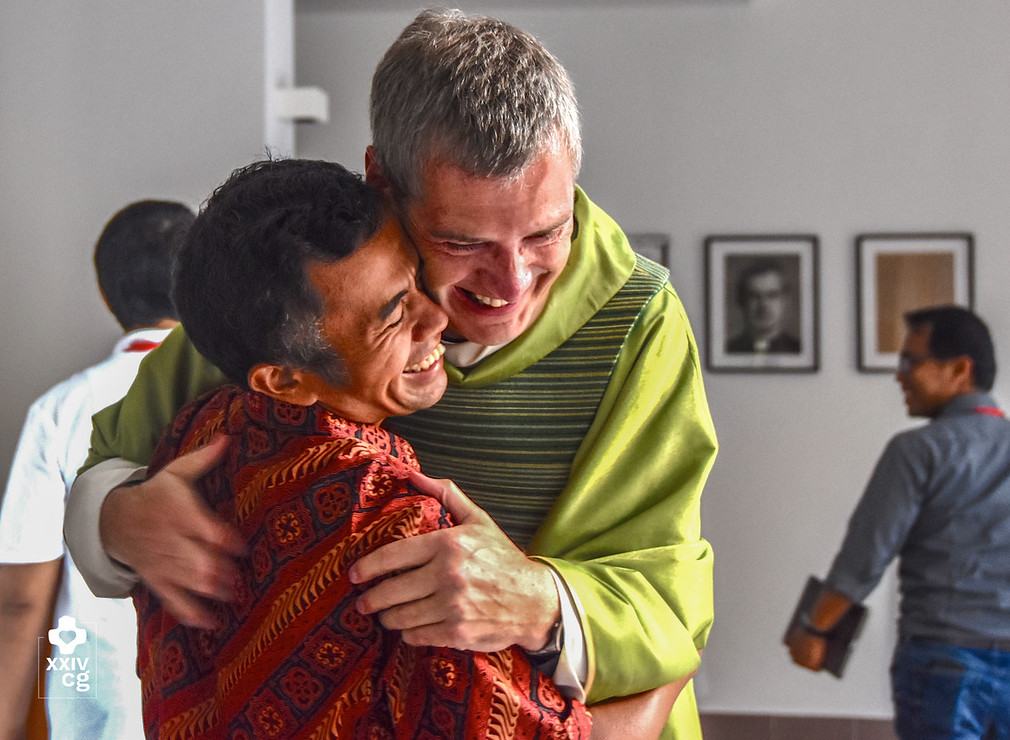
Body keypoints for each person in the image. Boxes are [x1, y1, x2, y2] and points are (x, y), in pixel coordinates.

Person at [64, 10, 717, 738]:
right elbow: (107, 467)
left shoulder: (636, 322)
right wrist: (117, 518)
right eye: (462, 241)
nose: (511, 283)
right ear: (383, 182)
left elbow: (667, 590)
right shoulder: (290, 297)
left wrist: (539, 599)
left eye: (546, 231)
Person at [134, 158, 591, 738]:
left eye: (417, 277)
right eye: (393, 313)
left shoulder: (190, 438)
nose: (436, 316)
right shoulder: (401, 529)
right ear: (285, 380)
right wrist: (659, 682)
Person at [0, 199, 193, 740]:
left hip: (98, 709)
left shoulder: (60, 410)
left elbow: (21, 597)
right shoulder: (246, 396)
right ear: (202, 284)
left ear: (108, 297)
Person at [787, 306, 1010, 739]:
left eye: (911, 361)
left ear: (960, 369)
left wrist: (814, 628)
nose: (900, 376)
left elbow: (864, 559)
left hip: (945, 664)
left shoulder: (917, 451)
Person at [726, 259, 801, 353]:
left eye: (772, 295)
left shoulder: (797, 350)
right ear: (741, 301)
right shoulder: (728, 350)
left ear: (785, 301)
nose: (764, 305)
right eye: (754, 296)